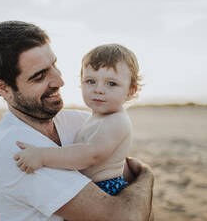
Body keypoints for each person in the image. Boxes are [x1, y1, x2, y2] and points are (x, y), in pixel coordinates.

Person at [0, 20, 154, 221]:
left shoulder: (81, 120)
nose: (60, 81)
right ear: (4, 88)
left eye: (54, 65)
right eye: (40, 76)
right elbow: (127, 216)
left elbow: (120, 172)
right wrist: (146, 177)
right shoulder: (12, 147)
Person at [14, 44, 140, 197]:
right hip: (95, 186)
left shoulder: (116, 121)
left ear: (131, 91)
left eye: (111, 83)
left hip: (105, 188)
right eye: (91, 81)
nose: (98, 89)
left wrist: (42, 156)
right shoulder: (97, 118)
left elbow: (89, 155)